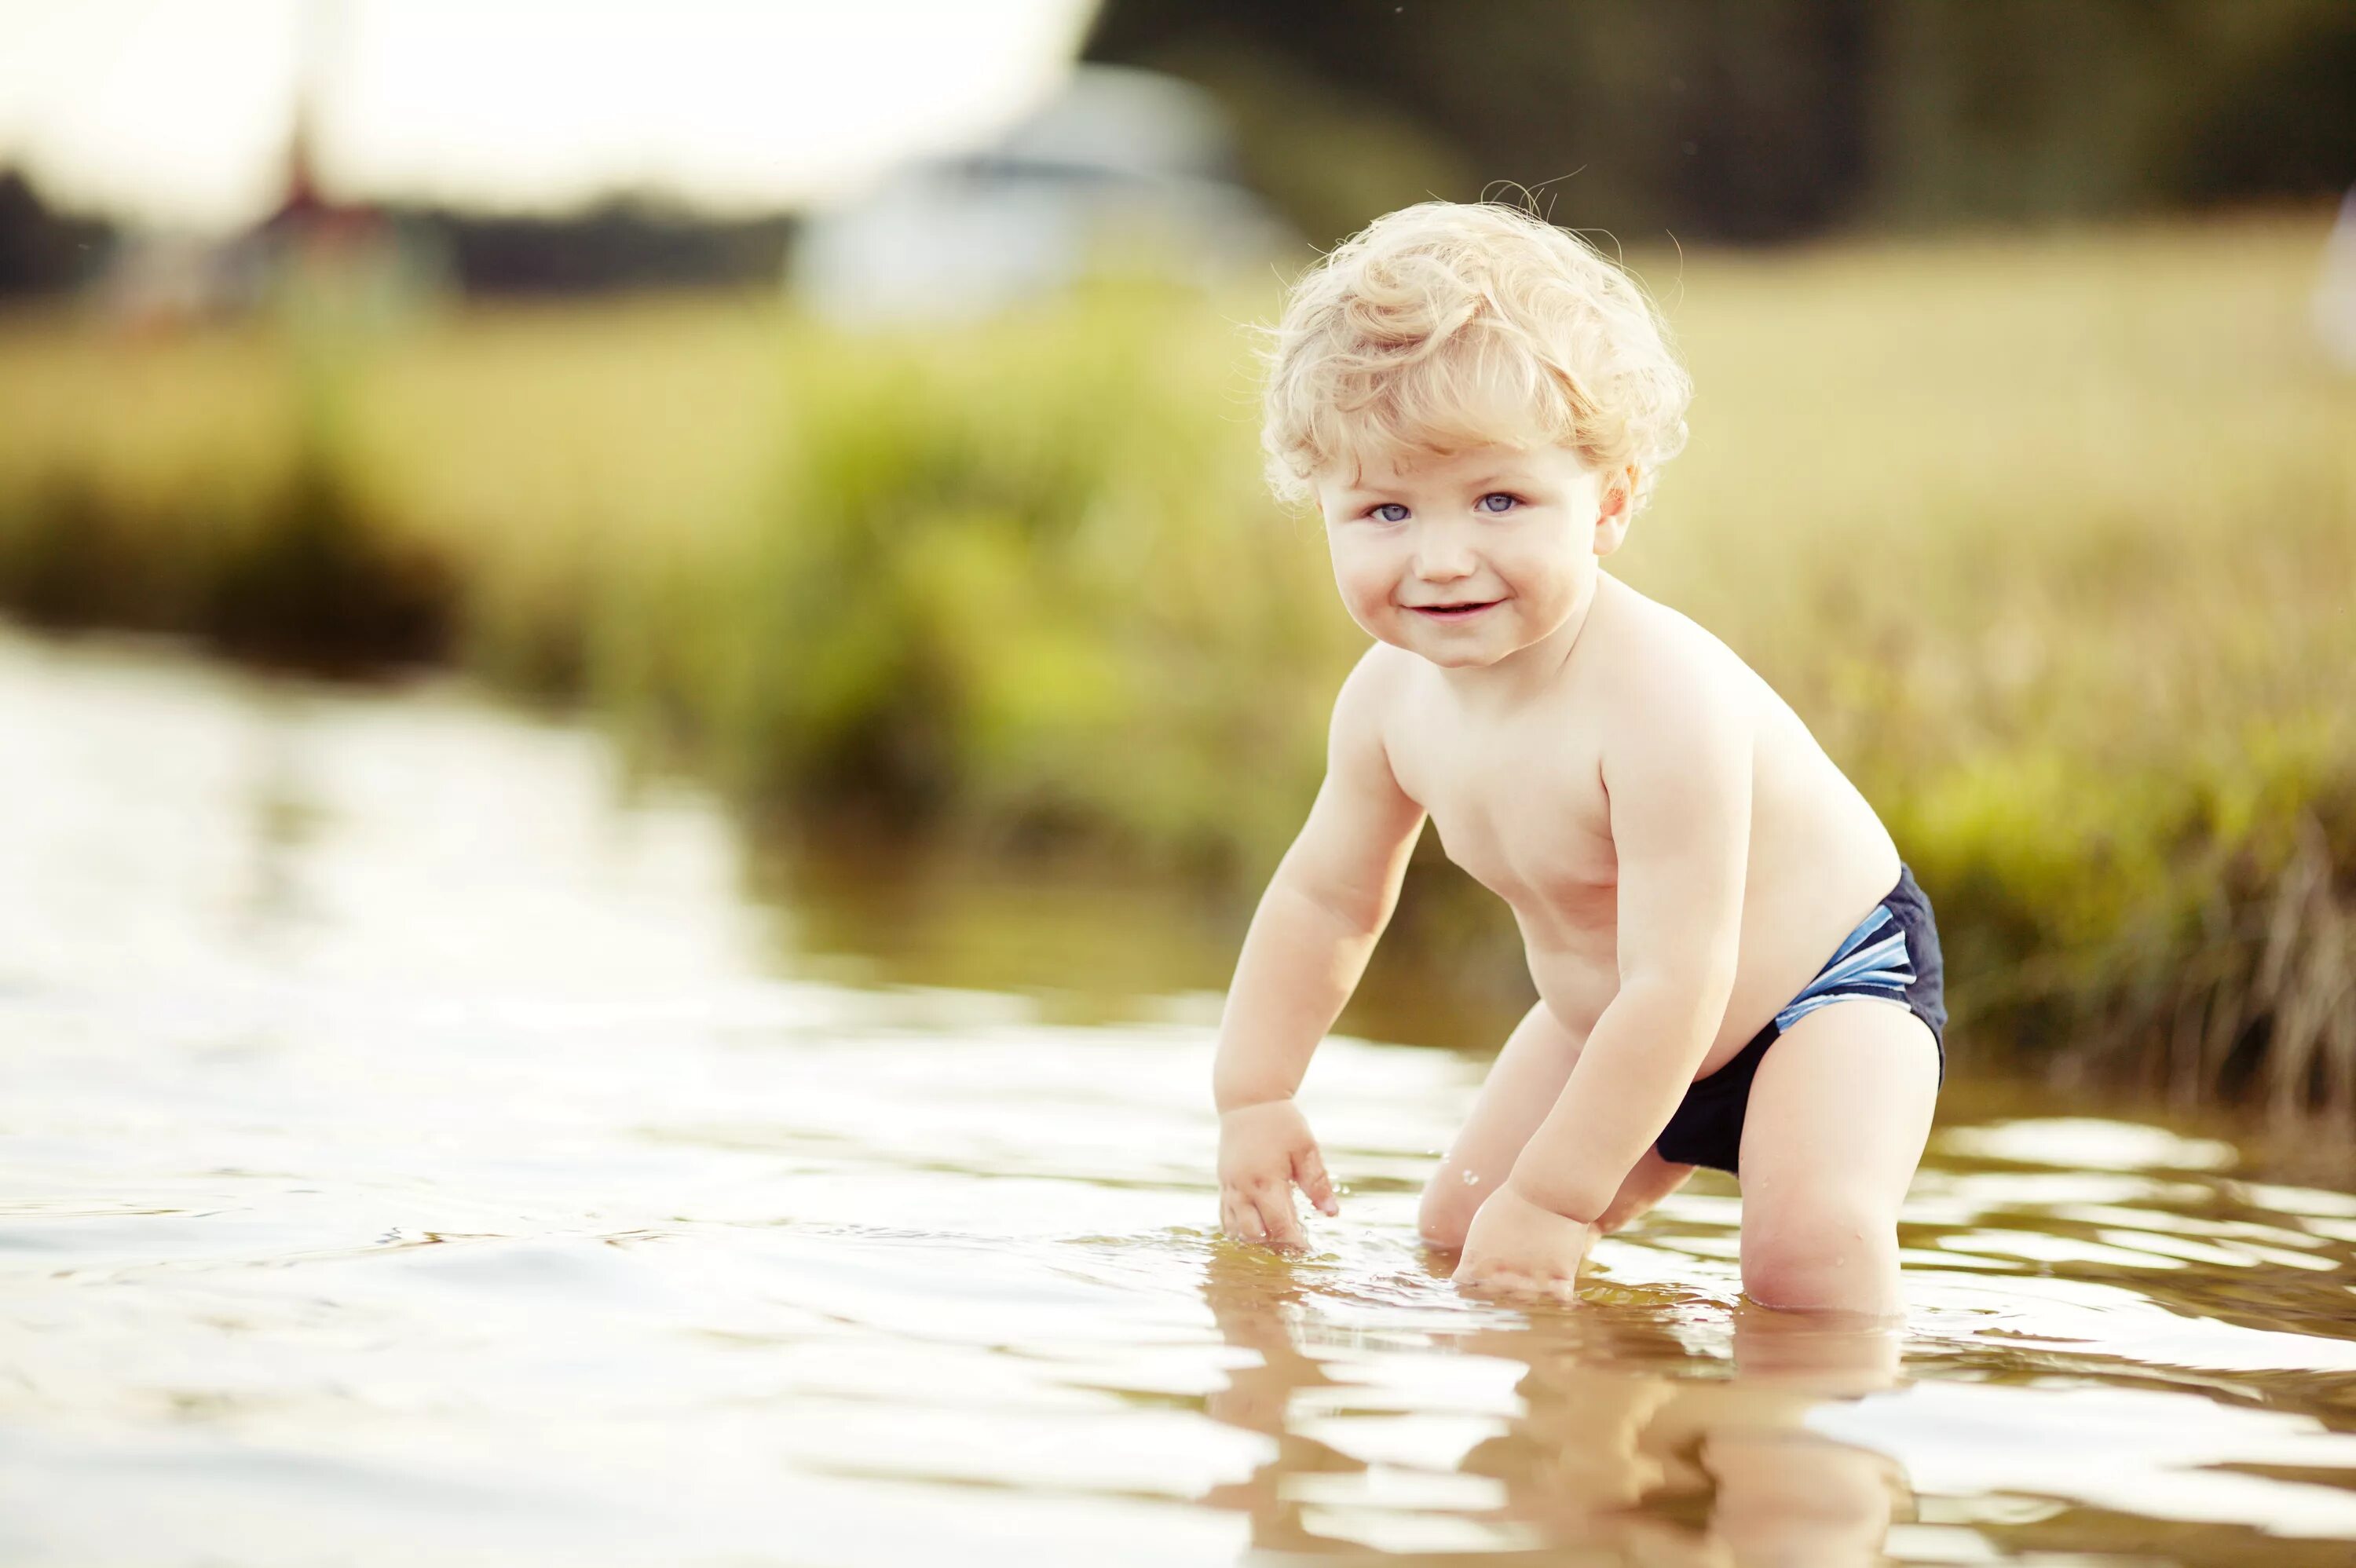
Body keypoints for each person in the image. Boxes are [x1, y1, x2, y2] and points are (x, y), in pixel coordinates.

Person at [1210, 201, 1947, 1316]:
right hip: (1606, 1020)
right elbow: (1324, 899)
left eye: (1500, 499)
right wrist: (1254, 1094)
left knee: (1809, 1259)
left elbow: (1680, 979)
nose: (1441, 557)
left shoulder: (1660, 701)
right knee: (1462, 1236)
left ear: (1607, 501)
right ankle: (1607, 1462)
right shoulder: (1388, 704)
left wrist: (1557, 1199)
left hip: (1825, 990)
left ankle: (1807, 1469)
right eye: (1384, 509)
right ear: (1322, 504)